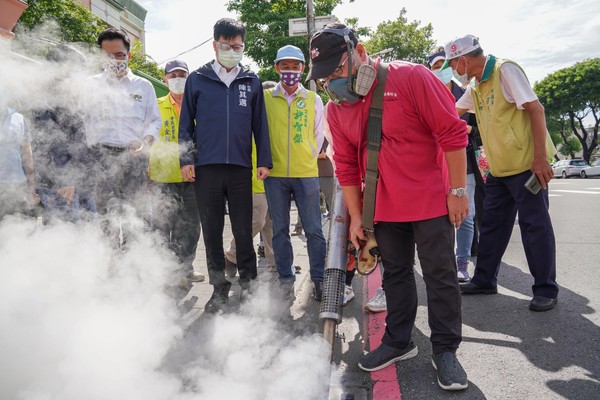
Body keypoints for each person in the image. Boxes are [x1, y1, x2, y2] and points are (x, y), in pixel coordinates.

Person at [308, 23, 469, 390]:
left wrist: (458, 190)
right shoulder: (336, 111)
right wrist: (354, 220)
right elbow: (346, 167)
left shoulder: (411, 77)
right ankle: (399, 340)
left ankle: (445, 350)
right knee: (395, 275)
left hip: (430, 200)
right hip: (383, 207)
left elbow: (452, 132)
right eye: (325, 78)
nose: (332, 83)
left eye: (337, 71)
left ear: (359, 52)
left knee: (440, 275)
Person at [443, 35, 559, 312]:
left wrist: (540, 158)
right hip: (499, 169)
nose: (451, 69)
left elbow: (535, 108)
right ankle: (484, 279)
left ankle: (545, 289)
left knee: (535, 226)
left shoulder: (504, 70)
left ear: (463, 59)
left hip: (526, 166)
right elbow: (452, 114)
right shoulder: (476, 86)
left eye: (452, 64)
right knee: (492, 226)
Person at [179, 18, 272, 313]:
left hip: (241, 167)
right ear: (214, 45)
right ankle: (219, 287)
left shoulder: (251, 80)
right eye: (225, 45)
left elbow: (260, 125)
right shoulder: (198, 78)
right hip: (207, 167)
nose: (231, 50)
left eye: (237, 46)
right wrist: (186, 159)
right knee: (212, 230)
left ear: (242, 46)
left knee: (244, 230)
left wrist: (264, 161)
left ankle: (248, 284)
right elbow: (186, 125)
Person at [81, 28, 161, 247]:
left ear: (129, 55)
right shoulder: (90, 85)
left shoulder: (143, 86)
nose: (114, 60)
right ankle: (109, 269)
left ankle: (133, 268)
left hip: (133, 158)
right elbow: (80, 121)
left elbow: (155, 120)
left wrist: (145, 142)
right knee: (104, 218)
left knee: (135, 216)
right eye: (108, 56)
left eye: (119, 55)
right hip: (100, 158)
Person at [263, 44, 326, 301]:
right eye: (285, 66)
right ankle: (286, 278)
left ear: (303, 69)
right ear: (277, 68)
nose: (290, 70)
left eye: (295, 66)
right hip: (275, 175)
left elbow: (319, 135)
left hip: (306, 174)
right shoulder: (265, 99)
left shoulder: (313, 99)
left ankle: (319, 278)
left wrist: (307, 158)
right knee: (279, 230)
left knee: (313, 229)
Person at [429, 46, 484, 282]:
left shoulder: (466, 91)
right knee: (436, 217)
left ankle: (462, 262)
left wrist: (467, 129)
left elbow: (481, 127)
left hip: (465, 166)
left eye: (445, 64)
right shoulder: (425, 93)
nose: (442, 70)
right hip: (433, 167)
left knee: (465, 215)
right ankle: (442, 263)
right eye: (435, 66)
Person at [148, 59, 204, 286]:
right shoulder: (156, 105)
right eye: (173, 75)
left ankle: (185, 268)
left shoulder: (200, 105)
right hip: (162, 176)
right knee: (164, 226)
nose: (177, 79)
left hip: (193, 177)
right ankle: (167, 271)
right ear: (165, 79)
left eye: (182, 74)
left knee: (191, 226)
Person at [30, 44, 96, 223]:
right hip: (61, 185)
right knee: (67, 237)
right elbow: (50, 144)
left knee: (88, 235)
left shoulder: (66, 98)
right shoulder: (44, 101)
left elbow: (78, 144)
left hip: (78, 183)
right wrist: (64, 181)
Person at [0, 102, 38, 221]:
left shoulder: (19, 119)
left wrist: (32, 188)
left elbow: (27, 157)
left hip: (15, 186)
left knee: (14, 229)